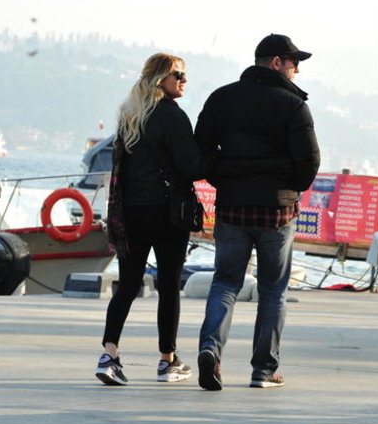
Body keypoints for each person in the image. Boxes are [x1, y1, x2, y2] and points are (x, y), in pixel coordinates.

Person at [194, 33, 320, 390]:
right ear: (277, 62)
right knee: (272, 290)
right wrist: (290, 186)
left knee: (225, 283)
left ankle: (210, 350)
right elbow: (309, 162)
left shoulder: (222, 97)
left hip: (232, 207)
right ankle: (263, 371)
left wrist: (223, 176)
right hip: (277, 212)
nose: (297, 70)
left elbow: (201, 151)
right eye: (294, 63)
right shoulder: (293, 105)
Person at [96, 52, 213, 386]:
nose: (184, 80)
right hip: (167, 213)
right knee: (169, 285)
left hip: (131, 211)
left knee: (128, 284)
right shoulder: (172, 116)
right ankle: (167, 361)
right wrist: (215, 155)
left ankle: (109, 356)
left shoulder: (130, 115)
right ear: (160, 78)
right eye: (178, 74)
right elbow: (191, 166)